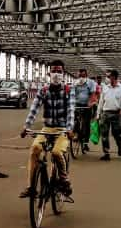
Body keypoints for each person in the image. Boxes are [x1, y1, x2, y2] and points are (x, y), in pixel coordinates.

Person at [19, 61, 73, 198]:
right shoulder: (43, 91)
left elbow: (71, 112)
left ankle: (64, 179)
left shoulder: (68, 90)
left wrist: (70, 128)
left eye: (59, 71)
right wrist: (26, 126)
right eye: (54, 71)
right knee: (35, 149)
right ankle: (31, 187)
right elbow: (34, 109)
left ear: (63, 74)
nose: (56, 74)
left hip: (62, 129)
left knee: (56, 152)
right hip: (47, 128)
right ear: (49, 73)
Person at [98, 70, 121, 161]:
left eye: (109, 76)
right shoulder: (105, 88)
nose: (107, 78)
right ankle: (106, 153)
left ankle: (120, 147)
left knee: (117, 133)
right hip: (105, 113)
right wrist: (98, 113)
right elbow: (101, 101)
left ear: (114, 77)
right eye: (107, 77)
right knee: (104, 134)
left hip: (117, 114)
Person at [70, 68, 97, 152]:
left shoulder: (91, 82)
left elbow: (92, 94)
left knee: (86, 124)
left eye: (83, 75)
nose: (82, 76)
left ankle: (85, 143)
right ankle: (76, 134)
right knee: (75, 120)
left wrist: (90, 102)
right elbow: (72, 94)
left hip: (87, 106)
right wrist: (71, 102)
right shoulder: (75, 82)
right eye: (80, 75)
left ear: (86, 75)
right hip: (77, 104)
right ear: (78, 75)